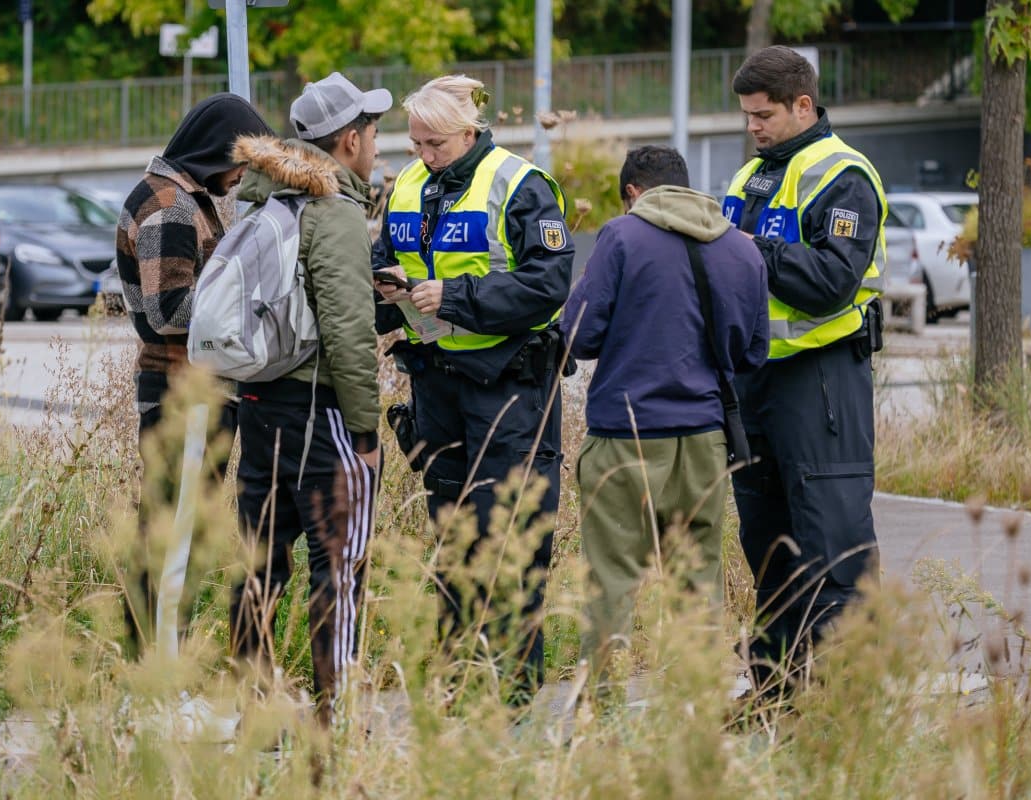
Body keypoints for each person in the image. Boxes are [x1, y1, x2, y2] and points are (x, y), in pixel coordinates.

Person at [372, 74, 574, 707]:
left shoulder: (521, 186)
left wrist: (454, 296)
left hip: (509, 386)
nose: (424, 155)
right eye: (415, 143)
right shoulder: (408, 184)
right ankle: (461, 677)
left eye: (434, 143)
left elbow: (549, 285)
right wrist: (387, 293)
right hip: (437, 382)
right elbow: (387, 256)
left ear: (468, 131)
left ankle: (511, 690)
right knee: (453, 532)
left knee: (509, 533)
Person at [563, 145, 768, 696]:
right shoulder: (741, 249)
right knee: (697, 584)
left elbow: (578, 337)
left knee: (611, 583)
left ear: (634, 192)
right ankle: (695, 711)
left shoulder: (622, 237)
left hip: (625, 439)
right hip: (704, 441)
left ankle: (598, 716)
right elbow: (753, 352)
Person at [722, 46, 887, 691]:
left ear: (802, 105)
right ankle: (775, 690)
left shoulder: (844, 175)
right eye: (746, 118)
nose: (754, 128)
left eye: (764, 116)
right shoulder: (749, 179)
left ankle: (849, 698)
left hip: (821, 383)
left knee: (833, 542)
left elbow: (830, 282)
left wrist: (750, 249)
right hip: (754, 382)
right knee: (768, 547)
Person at [228, 73, 389, 722]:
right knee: (339, 565)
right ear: (349, 141)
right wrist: (368, 431)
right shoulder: (335, 213)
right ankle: (334, 711)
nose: (377, 143)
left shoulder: (264, 202)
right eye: (373, 132)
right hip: (320, 410)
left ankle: (254, 707)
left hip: (259, 406)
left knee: (260, 563)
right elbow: (350, 333)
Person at [116, 92, 274, 656]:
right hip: (181, 391)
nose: (239, 178)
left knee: (176, 528)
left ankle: (154, 671)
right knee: (172, 534)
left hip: (191, 389)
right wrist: (251, 307)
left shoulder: (186, 198)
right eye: (240, 164)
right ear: (215, 152)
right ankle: (155, 677)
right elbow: (169, 310)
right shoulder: (170, 207)